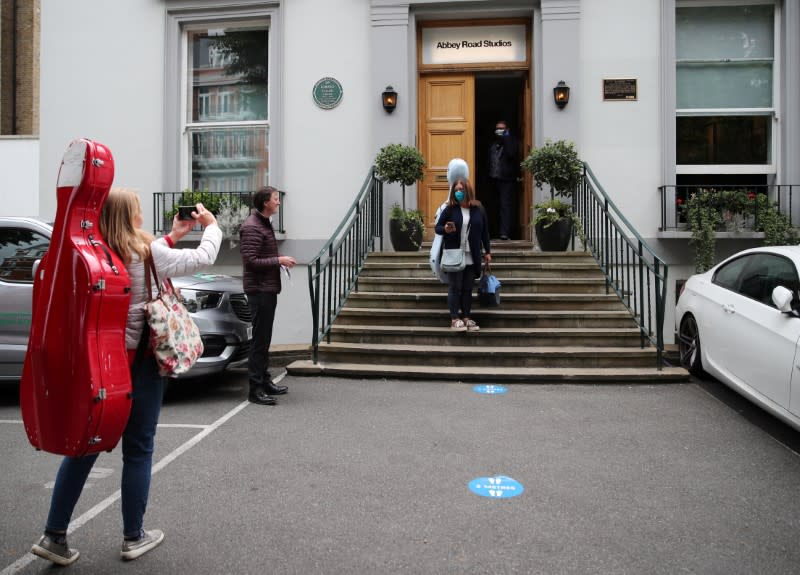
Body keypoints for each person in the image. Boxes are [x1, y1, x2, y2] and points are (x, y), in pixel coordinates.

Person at [30, 189, 222, 566]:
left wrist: (173, 235)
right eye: (136, 212)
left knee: (86, 444)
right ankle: (133, 536)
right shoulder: (148, 253)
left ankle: (54, 534)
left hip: (98, 362)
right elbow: (203, 257)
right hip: (141, 364)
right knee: (139, 449)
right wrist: (211, 226)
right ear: (132, 217)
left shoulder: (91, 255)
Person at [240, 186, 297, 406]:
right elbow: (251, 261)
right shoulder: (252, 227)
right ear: (266, 202)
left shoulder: (263, 224)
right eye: (276, 199)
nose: (279, 202)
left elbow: (263, 254)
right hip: (259, 290)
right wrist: (278, 261)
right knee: (259, 342)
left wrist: (280, 257)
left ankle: (264, 381)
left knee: (264, 339)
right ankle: (255, 390)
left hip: (267, 288)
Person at [434, 178, 492, 332]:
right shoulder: (450, 209)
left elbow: (485, 232)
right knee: (455, 287)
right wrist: (445, 229)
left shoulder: (478, 209)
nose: (458, 192)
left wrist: (488, 252)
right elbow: (437, 228)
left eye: (461, 189)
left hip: (472, 255)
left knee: (467, 288)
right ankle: (454, 319)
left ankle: (466, 317)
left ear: (468, 191)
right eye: (456, 190)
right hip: (454, 254)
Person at [487, 120, 518, 240]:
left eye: (502, 129)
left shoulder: (511, 142)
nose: (499, 131)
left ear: (507, 130)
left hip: (506, 180)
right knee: (493, 206)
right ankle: (492, 232)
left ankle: (504, 233)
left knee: (505, 206)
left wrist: (507, 137)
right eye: (497, 128)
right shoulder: (493, 144)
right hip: (492, 179)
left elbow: (511, 153)